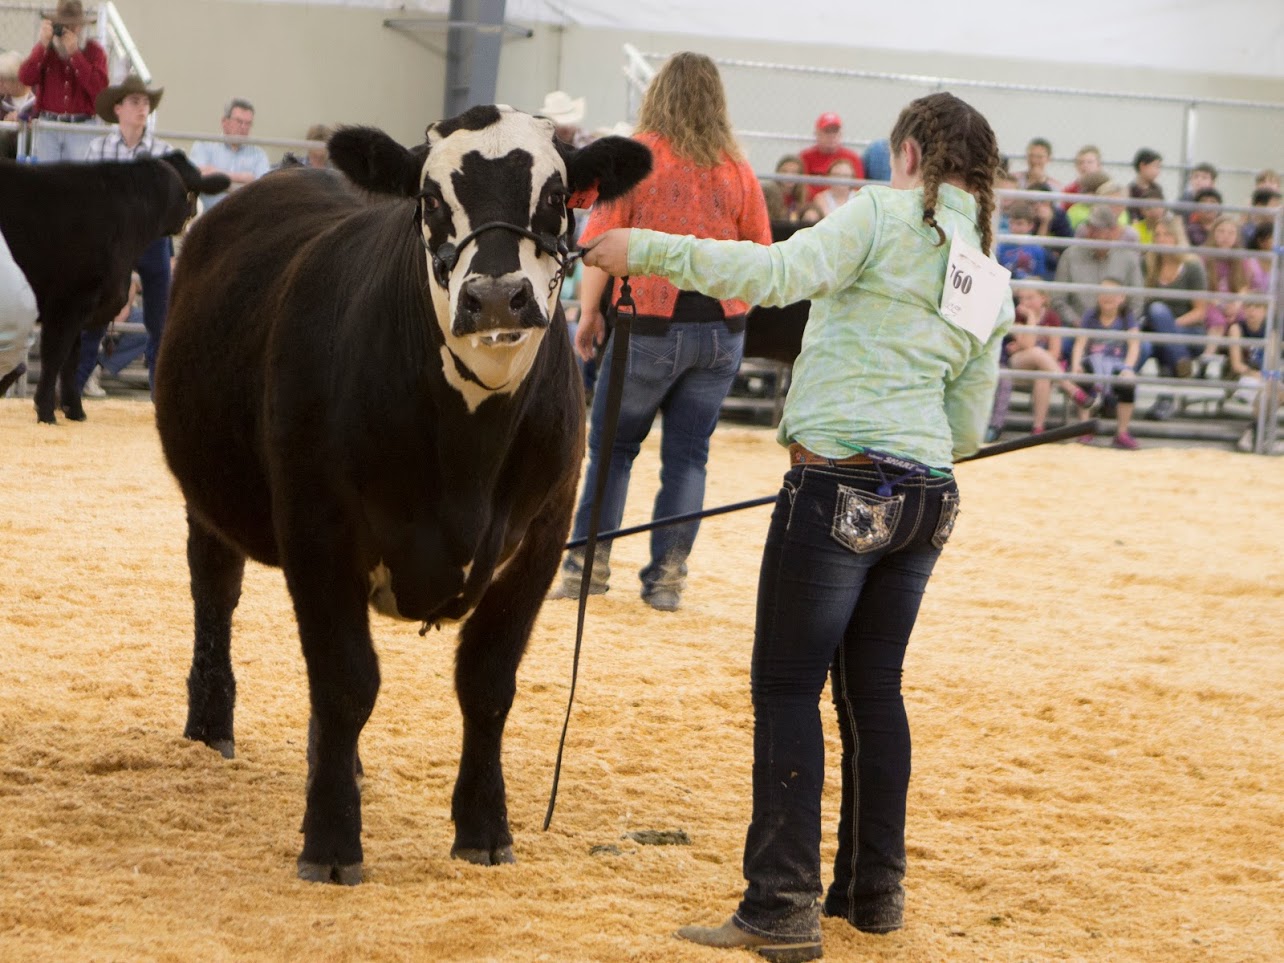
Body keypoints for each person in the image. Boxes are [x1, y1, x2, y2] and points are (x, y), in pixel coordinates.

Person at [583, 90, 1011, 958]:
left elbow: (774, 276)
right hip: (927, 495)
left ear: (910, 155)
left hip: (838, 480)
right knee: (874, 690)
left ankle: (780, 905)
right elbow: (967, 428)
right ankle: (872, 892)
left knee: (787, 688)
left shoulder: (880, 215)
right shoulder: (988, 273)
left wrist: (646, 249)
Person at [547, 51, 771, 612]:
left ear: (658, 94)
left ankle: (586, 569)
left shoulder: (637, 160)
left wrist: (589, 314)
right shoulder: (737, 169)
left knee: (613, 450)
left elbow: (599, 245)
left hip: (646, 326)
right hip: (721, 330)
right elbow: (762, 254)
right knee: (689, 457)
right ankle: (667, 580)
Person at [81, 74, 174, 388]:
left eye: (145, 102)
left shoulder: (163, 151)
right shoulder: (99, 148)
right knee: (96, 317)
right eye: (135, 102)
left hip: (150, 239)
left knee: (160, 323)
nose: (142, 108)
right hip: (113, 241)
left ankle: (160, 394)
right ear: (118, 108)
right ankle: (73, 387)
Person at [18, 0, 107, 163]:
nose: (67, 31)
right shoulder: (46, 50)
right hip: (48, 126)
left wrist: (76, 55)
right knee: (46, 176)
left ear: (81, 28)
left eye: (73, 27)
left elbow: (100, 91)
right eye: (63, 26)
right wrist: (42, 45)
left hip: (81, 126)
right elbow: (25, 77)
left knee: (79, 176)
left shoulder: (94, 51)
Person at [1140, 214, 1208, 420]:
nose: (1161, 239)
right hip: (1159, 334)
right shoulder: (1147, 264)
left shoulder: (1192, 266)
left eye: (1167, 235)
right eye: (1158, 235)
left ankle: (1166, 399)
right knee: (1157, 321)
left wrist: (1167, 325)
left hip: (1189, 331)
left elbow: (1200, 311)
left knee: (1159, 314)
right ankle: (1180, 365)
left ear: (1177, 237)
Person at [987, 284, 1076, 440]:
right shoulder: (1016, 316)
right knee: (1036, 352)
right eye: (1021, 298)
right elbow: (1029, 345)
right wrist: (1031, 318)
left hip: (1043, 368)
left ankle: (1038, 428)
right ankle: (1071, 389)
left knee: (1043, 375)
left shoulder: (1052, 317)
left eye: (1030, 298)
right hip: (1016, 366)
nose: (1024, 302)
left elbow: (1055, 353)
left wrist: (1023, 347)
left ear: (1043, 298)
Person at [1070, 278, 1141, 449]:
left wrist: (1128, 368)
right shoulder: (1090, 315)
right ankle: (1084, 429)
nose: (1107, 297)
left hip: (1116, 364)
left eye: (1112, 294)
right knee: (1083, 375)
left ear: (1121, 297)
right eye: (1103, 293)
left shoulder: (1127, 317)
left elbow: (1134, 345)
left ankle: (1122, 433)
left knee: (1128, 384)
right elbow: (1080, 343)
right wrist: (1075, 365)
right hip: (1093, 363)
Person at [189, 97, 270, 210]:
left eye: (248, 123)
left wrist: (217, 173)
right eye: (239, 121)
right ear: (224, 122)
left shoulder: (259, 154)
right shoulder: (204, 145)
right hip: (208, 215)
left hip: (244, 216)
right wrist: (245, 178)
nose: (243, 127)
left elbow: (263, 187)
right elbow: (198, 177)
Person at [799, 111, 864, 198]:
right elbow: (801, 189)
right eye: (827, 131)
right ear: (817, 134)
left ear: (840, 134)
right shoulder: (805, 157)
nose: (831, 136)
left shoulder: (852, 158)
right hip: (813, 203)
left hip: (845, 202)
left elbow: (858, 188)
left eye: (835, 131)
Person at [996, 201, 1051, 279]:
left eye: (1019, 224)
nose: (1014, 227)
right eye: (1011, 223)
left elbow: (1039, 276)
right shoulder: (1001, 247)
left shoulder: (1037, 249)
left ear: (1030, 225)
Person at [1127, 148, 1164, 223]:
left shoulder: (1157, 189)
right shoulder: (1131, 190)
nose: (1158, 171)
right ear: (1142, 166)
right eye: (1155, 166)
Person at [772, 154, 808, 220]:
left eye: (794, 172)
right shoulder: (771, 193)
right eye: (784, 172)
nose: (789, 176)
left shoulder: (805, 194)